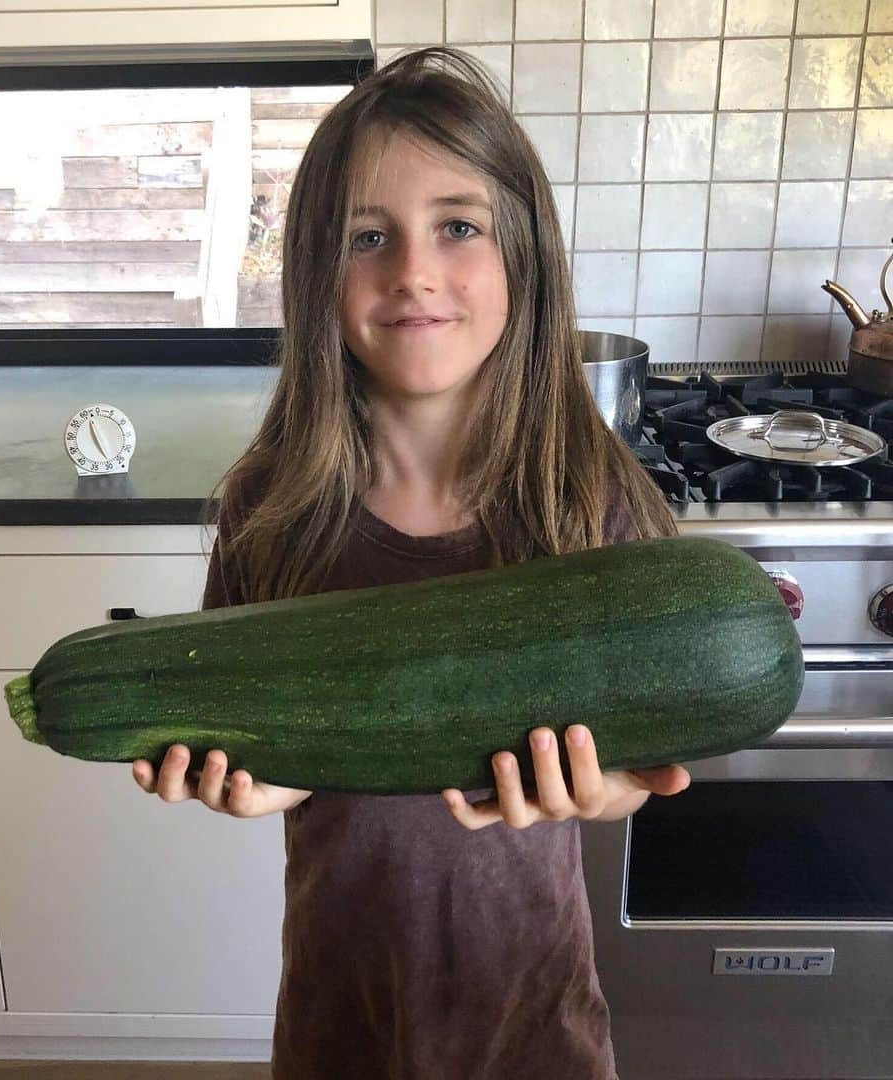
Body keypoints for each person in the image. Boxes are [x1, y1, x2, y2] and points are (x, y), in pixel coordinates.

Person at [132, 45, 691, 1079]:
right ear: (315, 273)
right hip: (340, 1022)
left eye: (458, 227)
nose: (414, 273)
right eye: (368, 237)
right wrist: (255, 779)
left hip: (538, 1029)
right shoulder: (269, 509)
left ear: (523, 255)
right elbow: (262, 737)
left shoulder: (586, 498)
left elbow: (640, 775)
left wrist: (598, 788)